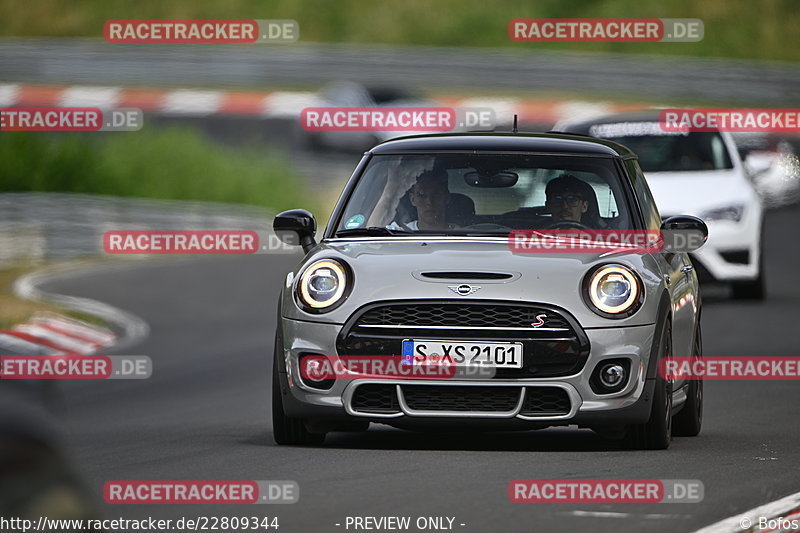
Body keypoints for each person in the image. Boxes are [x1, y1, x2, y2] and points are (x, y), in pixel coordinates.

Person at [387, 169, 454, 231]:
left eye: (436, 195)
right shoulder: (397, 233)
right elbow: (377, 230)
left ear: (447, 197)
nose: (429, 202)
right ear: (412, 199)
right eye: (422, 195)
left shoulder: (462, 235)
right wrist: (389, 190)